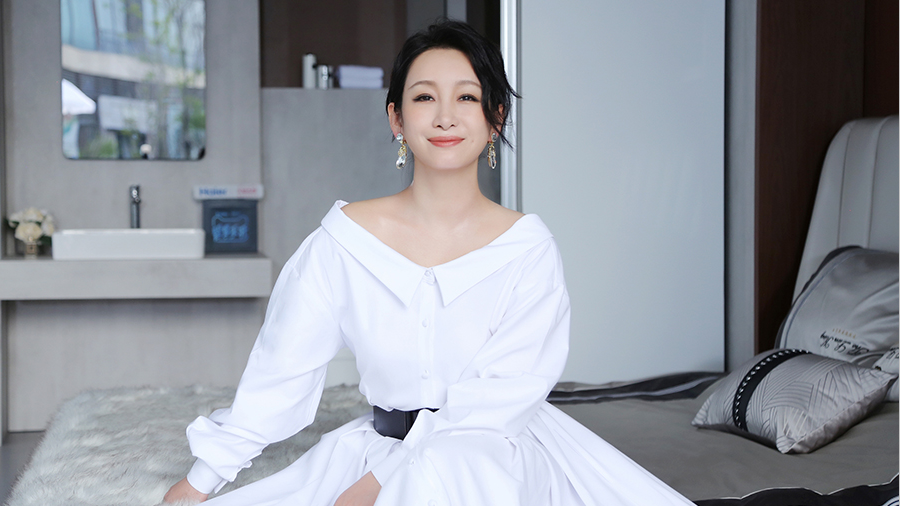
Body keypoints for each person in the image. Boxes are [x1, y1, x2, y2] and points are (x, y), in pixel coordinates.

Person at [163, 20, 694, 506]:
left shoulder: (528, 250)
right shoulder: (343, 242)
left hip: (493, 456)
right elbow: (281, 371)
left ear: (495, 117)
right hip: (379, 446)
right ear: (396, 117)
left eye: (467, 97)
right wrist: (202, 479)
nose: (445, 117)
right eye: (424, 97)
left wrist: (383, 483)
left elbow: (498, 400)